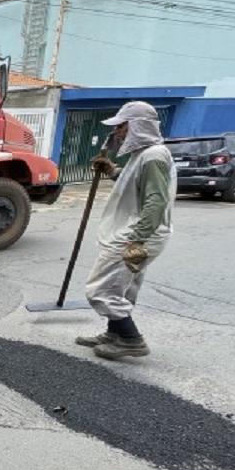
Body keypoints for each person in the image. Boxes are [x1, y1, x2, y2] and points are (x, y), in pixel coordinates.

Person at [77, 101, 176, 360]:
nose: (118, 133)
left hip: (136, 235)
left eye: (121, 126)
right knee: (122, 288)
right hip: (139, 233)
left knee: (101, 289)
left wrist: (137, 240)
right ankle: (115, 334)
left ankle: (131, 340)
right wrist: (112, 171)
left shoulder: (154, 156)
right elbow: (136, 184)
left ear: (136, 127)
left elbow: (155, 200)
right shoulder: (143, 155)